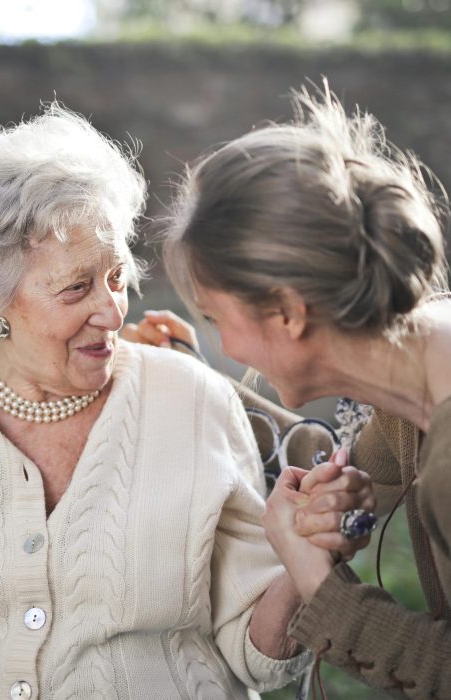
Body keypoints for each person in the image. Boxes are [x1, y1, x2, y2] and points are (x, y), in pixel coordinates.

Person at [0, 104, 375, 700]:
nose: (112, 310)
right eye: (76, 287)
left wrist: (302, 561)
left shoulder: (192, 400)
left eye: (117, 277)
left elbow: (258, 655)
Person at [151, 82, 451, 698]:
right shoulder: (415, 383)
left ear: (287, 313)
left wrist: (320, 585)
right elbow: (325, 453)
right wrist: (185, 374)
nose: (226, 345)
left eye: (215, 319)